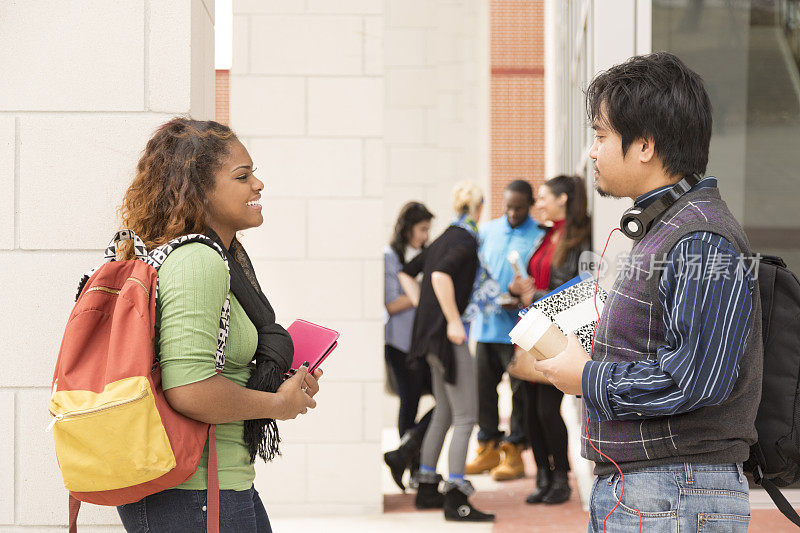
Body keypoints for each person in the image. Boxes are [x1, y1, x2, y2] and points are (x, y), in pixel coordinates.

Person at [534, 52, 761, 532]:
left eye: (600, 137)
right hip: (656, 490)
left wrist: (589, 378)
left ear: (644, 145)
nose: (592, 152)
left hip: (673, 491)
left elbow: (696, 377)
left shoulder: (701, 236)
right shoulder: (674, 228)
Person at [115, 118, 322, 532]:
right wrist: (277, 406)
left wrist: (282, 382)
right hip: (196, 494)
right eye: (243, 176)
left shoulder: (218, 259)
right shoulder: (199, 260)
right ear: (199, 190)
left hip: (208, 489)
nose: (258, 184)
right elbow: (189, 389)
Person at [398, 182, 495, 522]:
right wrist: (452, 320)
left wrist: (424, 308)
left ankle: (426, 487)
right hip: (447, 339)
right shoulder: (466, 239)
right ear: (479, 208)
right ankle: (457, 499)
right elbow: (438, 275)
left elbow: (407, 273)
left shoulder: (443, 236)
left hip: (430, 339)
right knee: (467, 416)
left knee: (444, 412)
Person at [509, 175, 591, 505]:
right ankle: (543, 475)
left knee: (546, 410)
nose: (538, 203)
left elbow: (578, 287)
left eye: (544, 197)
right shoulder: (547, 236)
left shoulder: (581, 237)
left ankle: (561, 478)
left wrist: (536, 293)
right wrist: (520, 290)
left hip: (555, 334)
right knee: (528, 410)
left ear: (564, 199)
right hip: (532, 329)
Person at [466, 180, 544, 481]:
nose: (512, 213)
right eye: (508, 207)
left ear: (530, 204)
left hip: (520, 332)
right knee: (483, 394)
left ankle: (514, 453)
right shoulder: (486, 231)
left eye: (519, 208)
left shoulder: (539, 235)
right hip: (486, 329)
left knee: (519, 397)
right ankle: (487, 448)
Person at [382, 201, 435, 491]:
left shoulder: (427, 254)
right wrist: (420, 294)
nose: (425, 235)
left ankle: (405, 452)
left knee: (444, 399)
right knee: (409, 402)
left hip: (424, 343)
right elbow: (391, 303)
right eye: (422, 229)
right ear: (408, 228)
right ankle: (412, 466)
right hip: (400, 344)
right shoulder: (390, 256)